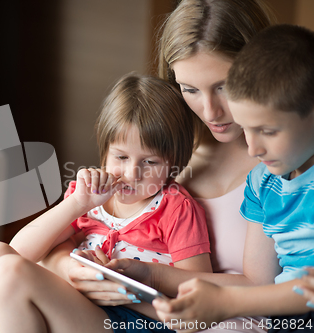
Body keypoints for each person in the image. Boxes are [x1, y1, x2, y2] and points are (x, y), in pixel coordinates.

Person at [39, 0, 277, 332]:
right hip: (118, 309)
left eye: (224, 86)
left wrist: (146, 278)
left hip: (204, 321)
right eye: (190, 89)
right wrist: (68, 268)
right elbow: (72, 233)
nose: (210, 112)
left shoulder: (280, 163)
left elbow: (262, 292)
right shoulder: (160, 145)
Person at [0, 73, 212, 333]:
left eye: (150, 162)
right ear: (105, 151)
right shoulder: (91, 195)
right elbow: (19, 251)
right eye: (121, 156)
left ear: (173, 164)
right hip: (80, 306)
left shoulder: (176, 208)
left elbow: (200, 293)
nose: (133, 173)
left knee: (10, 274)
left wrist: (125, 291)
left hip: (136, 320)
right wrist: (77, 203)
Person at [153, 24, 314, 333]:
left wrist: (226, 302)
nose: (253, 148)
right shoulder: (263, 182)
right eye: (247, 128)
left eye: (267, 131)